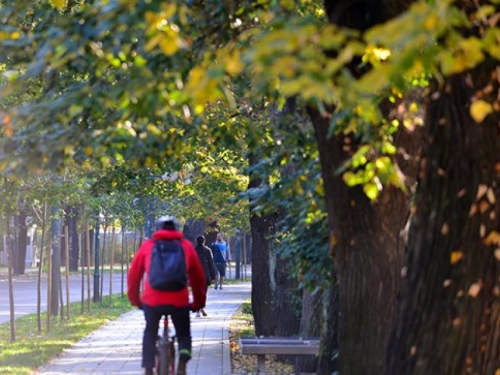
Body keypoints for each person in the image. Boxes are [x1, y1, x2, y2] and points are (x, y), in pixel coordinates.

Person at [127, 216, 206, 375]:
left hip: (152, 300)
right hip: (179, 300)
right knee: (184, 333)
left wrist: (136, 300)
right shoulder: (186, 247)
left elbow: (134, 275)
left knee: (150, 331)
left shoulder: (148, 246)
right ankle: (183, 358)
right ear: (177, 230)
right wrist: (198, 303)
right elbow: (198, 279)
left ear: (157, 229)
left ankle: (149, 368)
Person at [194, 235, 217, 317]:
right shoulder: (207, 250)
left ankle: (197, 309)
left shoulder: (193, 250)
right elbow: (211, 264)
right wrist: (213, 275)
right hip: (205, 273)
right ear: (204, 241)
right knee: (204, 291)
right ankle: (202, 307)